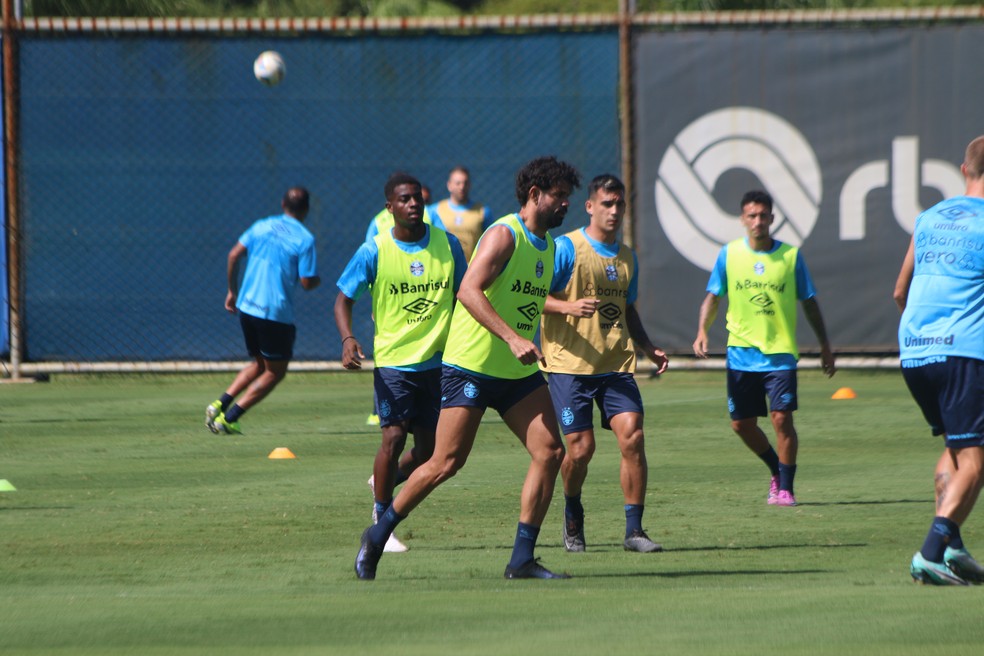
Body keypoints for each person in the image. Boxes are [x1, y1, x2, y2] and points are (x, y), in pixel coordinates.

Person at [355, 155, 582, 580]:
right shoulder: (503, 235)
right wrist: (514, 338)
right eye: (559, 196)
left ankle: (521, 559)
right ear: (535, 195)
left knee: (550, 452)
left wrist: (532, 343)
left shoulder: (549, 247)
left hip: (516, 373)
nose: (565, 205)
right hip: (471, 366)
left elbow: (527, 304)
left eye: (568, 197)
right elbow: (468, 291)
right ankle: (377, 534)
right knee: (445, 462)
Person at [336, 172, 468, 555]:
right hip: (394, 364)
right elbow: (343, 298)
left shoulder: (448, 245)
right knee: (392, 438)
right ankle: (381, 518)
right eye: (405, 199)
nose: (413, 204)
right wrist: (348, 339)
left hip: (440, 364)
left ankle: (384, 480)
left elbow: (466, 293)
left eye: (417, 199)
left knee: (429, 453)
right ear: (389, 207)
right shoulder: (375, 250)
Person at [540, 174, 669, 554]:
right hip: (569, 366)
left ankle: (634, 531)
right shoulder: (567, 248)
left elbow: (627, 308)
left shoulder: (628, 257)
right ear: (590, 207)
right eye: (607, 204)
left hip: (615, 364)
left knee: (634, 437)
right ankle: (572, 510)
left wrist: (647, 347)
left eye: (620, 205)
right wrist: (568, 306)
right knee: (580, 451)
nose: (614, 211)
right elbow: (535, 295)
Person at [692, 189, 835, 506]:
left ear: (772, 218)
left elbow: (809, 303)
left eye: (763, 215)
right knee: (741, 424)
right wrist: (703, 330)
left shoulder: (791, 256)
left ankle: (786, 488)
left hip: (780, 354)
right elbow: (713, 297)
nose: (758, 221)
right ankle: (776, 468)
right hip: (741, 354)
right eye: (751, 216)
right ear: (743, 219)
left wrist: (825, 345)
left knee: (782, 419)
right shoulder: (729, 255)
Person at [894, 135, 984, 586]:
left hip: (913, 349)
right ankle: (931, 551)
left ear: (964, 169)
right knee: (976, 459)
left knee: (955, 446)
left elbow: (898, 291)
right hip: (964, 350)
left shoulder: (929, 216)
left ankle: (953, 549)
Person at [206, 187, 320, 434]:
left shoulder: (262, 226)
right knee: (275, 372)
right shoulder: (305, 239)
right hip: (274, 313)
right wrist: (317, 280)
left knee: (259, 364)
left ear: (283, 204)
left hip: (247, 307)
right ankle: (230, 417)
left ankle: (219, 404)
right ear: (307, 209)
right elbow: (307, 282)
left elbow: (234, 255)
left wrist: (231, 291)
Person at [428, 166, 494, 261]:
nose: (462, 187)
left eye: (465, 183)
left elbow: (489, 243)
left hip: (471, 269)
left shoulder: (483, 212)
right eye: (458, 183)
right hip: (443, 267)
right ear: (449, 185)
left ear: (470, 185)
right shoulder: (434, 211)